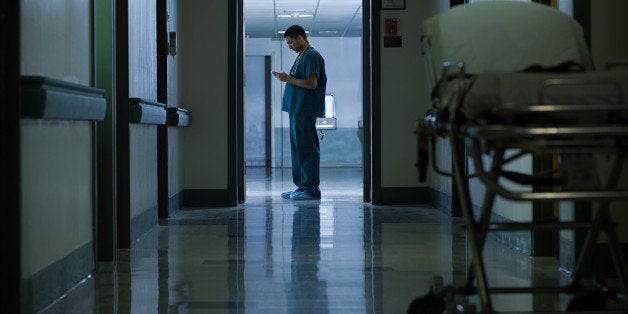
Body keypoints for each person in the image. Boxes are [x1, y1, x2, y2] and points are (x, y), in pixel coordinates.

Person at [272, 25, 327, 200]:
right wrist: (287, 78)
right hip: (296, 108)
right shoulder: (301, 56)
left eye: (290, 42)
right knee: (298, 149)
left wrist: (287, 78)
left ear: (299, 38)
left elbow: (312, 84)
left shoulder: (311, 55)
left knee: (307, 148)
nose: (289, 46)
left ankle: (311, 189)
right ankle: (302, 187)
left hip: (304, 108)